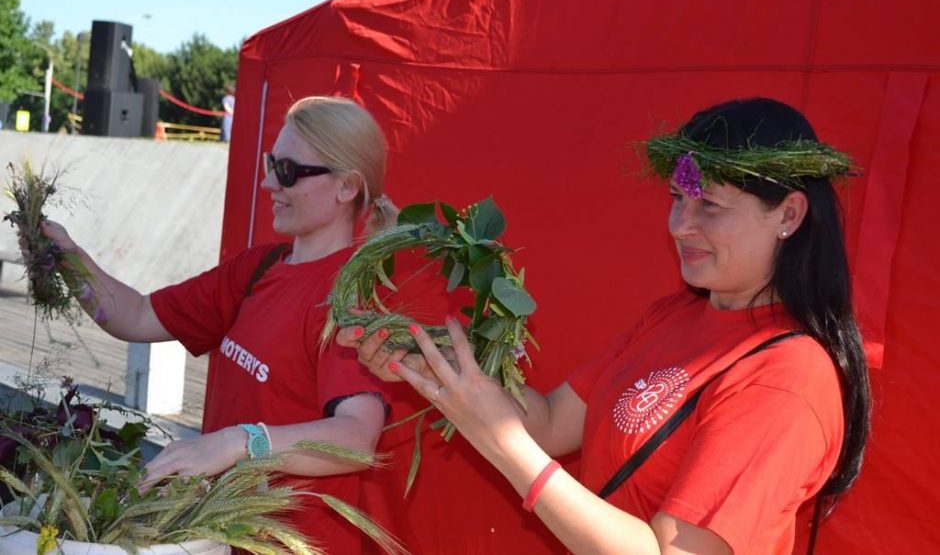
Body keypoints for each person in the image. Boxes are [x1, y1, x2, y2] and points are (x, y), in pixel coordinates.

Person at [341, 98, 871, 554]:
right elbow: (548, 423)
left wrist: (503, 446)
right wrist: (429, 360)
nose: (680, 225)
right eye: (677, 199)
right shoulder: (676, 315)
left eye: (709, 205)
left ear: (789, 215)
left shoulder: (788, 376)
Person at [42, 95, 399, 553]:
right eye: (272, 163)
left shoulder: (351, 296)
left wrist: (238, 441)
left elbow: (356, 437)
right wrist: (64, 256)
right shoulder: (257, 269)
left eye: (288, 170)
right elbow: (135, 315)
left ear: (347, 186)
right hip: (225, 539)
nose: (269, 182)